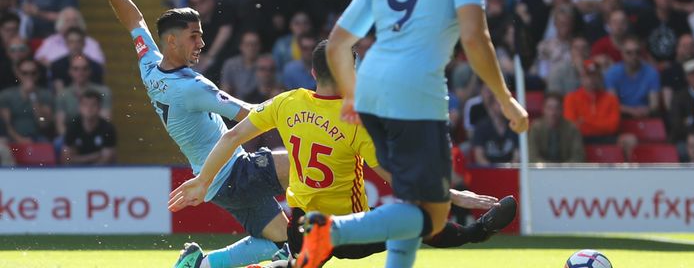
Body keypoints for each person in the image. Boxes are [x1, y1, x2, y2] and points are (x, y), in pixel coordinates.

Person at [315, 0, 528, 268]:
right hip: (415, 94)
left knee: (410, 206)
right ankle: (329, 231)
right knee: (431, 216)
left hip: (372, 90)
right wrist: (505, 99)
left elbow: (339, 43)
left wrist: (352, 93)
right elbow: (474, 37)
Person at [169, 40, 517, 267]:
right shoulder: (357, 122)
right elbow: (401, 181)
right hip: (348, 229)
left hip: (303, 223)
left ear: (313, 72)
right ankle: (478, 231)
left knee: (293, 262)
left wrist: (203, 180)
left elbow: (231, 137)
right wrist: (455, 195)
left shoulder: (287, 102)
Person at [81, 0, 289, 268]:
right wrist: (295, 106)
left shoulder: (150, 65)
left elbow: (135, 21)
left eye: (201, 35)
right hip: (234, 173)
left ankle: (200, 265)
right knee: (302, 162)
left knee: (287, 242)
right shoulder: (192, 87)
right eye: (194, 36)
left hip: (219, 183)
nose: (201, 42)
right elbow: (251, 114)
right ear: (171, 40)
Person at [54, 54, 112, 138]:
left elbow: (106, 121)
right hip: (71, 138)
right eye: (76, 69)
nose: (80, 72)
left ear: (90, 70)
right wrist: (70, 140)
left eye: (84, 69)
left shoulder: (104, 92)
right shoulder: (62, 95)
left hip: (97, 137)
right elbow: (60, 125)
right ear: (70, 71)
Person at [563, 59, 621, 143]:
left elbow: (613, 127)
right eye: (587, 76)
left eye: (594, 76)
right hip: (580, 140)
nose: (591, 80)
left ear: (600, 77)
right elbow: (572, 127)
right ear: (581, 78)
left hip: (607, 139)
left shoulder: (611, 98)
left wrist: (585, 123)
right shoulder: (570, 98)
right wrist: (601, 125)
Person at [633, 0, 690, 65]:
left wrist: (674, 64)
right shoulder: (644, 18)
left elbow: (684, 44)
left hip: (676, 64)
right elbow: (638, 43)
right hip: (649, 65)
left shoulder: (682, 19)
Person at [604, 37, 661, 119]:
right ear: (622, 54)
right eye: (629, 53)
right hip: (620, 118)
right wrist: (631, 111)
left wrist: (647, 110)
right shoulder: (612, 73)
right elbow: (612, 104)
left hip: (645, 117)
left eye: (637, 52)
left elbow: (654, 105)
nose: (634, 56)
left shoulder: (652, 73)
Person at [0, 58, 54, 143]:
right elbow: (6, 124)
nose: (29, 76)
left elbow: (43, 123)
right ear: (18, 73)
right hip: (12, 138)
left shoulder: (45, 95)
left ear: (38, 74)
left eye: (33, 73)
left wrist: (33, 97)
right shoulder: (6, 95)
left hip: (38, 138)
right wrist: (19, 139)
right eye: (24, 73)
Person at [60, 89, 117, 165]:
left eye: (93, 105)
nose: (89, 108)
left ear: (99, 108)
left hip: (101, 172)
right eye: (85, 104)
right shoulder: (72, 127)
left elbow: (107, 159)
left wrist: (77, 159)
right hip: (76, 171)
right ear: (79, 108)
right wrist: (94, 156)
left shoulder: (108, 128)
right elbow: (66, 159)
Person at [34, 7, 105, 65]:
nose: (72, 24)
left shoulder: (91, 43)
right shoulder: (50, 41)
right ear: (60, 24)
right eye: (68, 21)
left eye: (75, 20)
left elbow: (98, 63)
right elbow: (37, 60)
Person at [528, 94, 585, 163]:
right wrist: (550, 169)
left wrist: (562, 169)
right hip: (542, 172)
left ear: (562, 110)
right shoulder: (536, 129)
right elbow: (532, 157)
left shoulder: (572, 129)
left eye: (557, 108)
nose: (553, 113)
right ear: (543, 109)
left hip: (567, 171)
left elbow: (578, 156)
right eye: (549, 108)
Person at [50, 26, 105, 91]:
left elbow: (99, 90)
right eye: (71, 42)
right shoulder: (57, 65)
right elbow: (60, 93)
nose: (75, 45)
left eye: (78, 41)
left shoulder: (95, 67)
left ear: (84, 43)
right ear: (66, 43)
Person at [471, 98, 519, 165]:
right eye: (499, 104)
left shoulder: (514, 126)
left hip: (510, 172)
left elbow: (517, 157)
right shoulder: (481, 127)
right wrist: (492, 172)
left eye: (504, 104)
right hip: (488, 172)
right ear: (491, 106)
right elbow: (479, 156)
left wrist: (508, 172)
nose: (502, 107)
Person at [220, 31, 262, 99]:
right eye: (248, 44)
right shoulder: (230, 64)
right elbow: (225, 91)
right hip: (237, 104)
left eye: (254, 44)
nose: (251, 48)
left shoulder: (266, 64)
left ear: (260, 46)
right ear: (241, 46)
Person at [661, 34, 694, 108]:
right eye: (684, 46)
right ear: (677, 48)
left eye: (691, 46)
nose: (688, 49)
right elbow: (668, 105)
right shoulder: (668, 73)